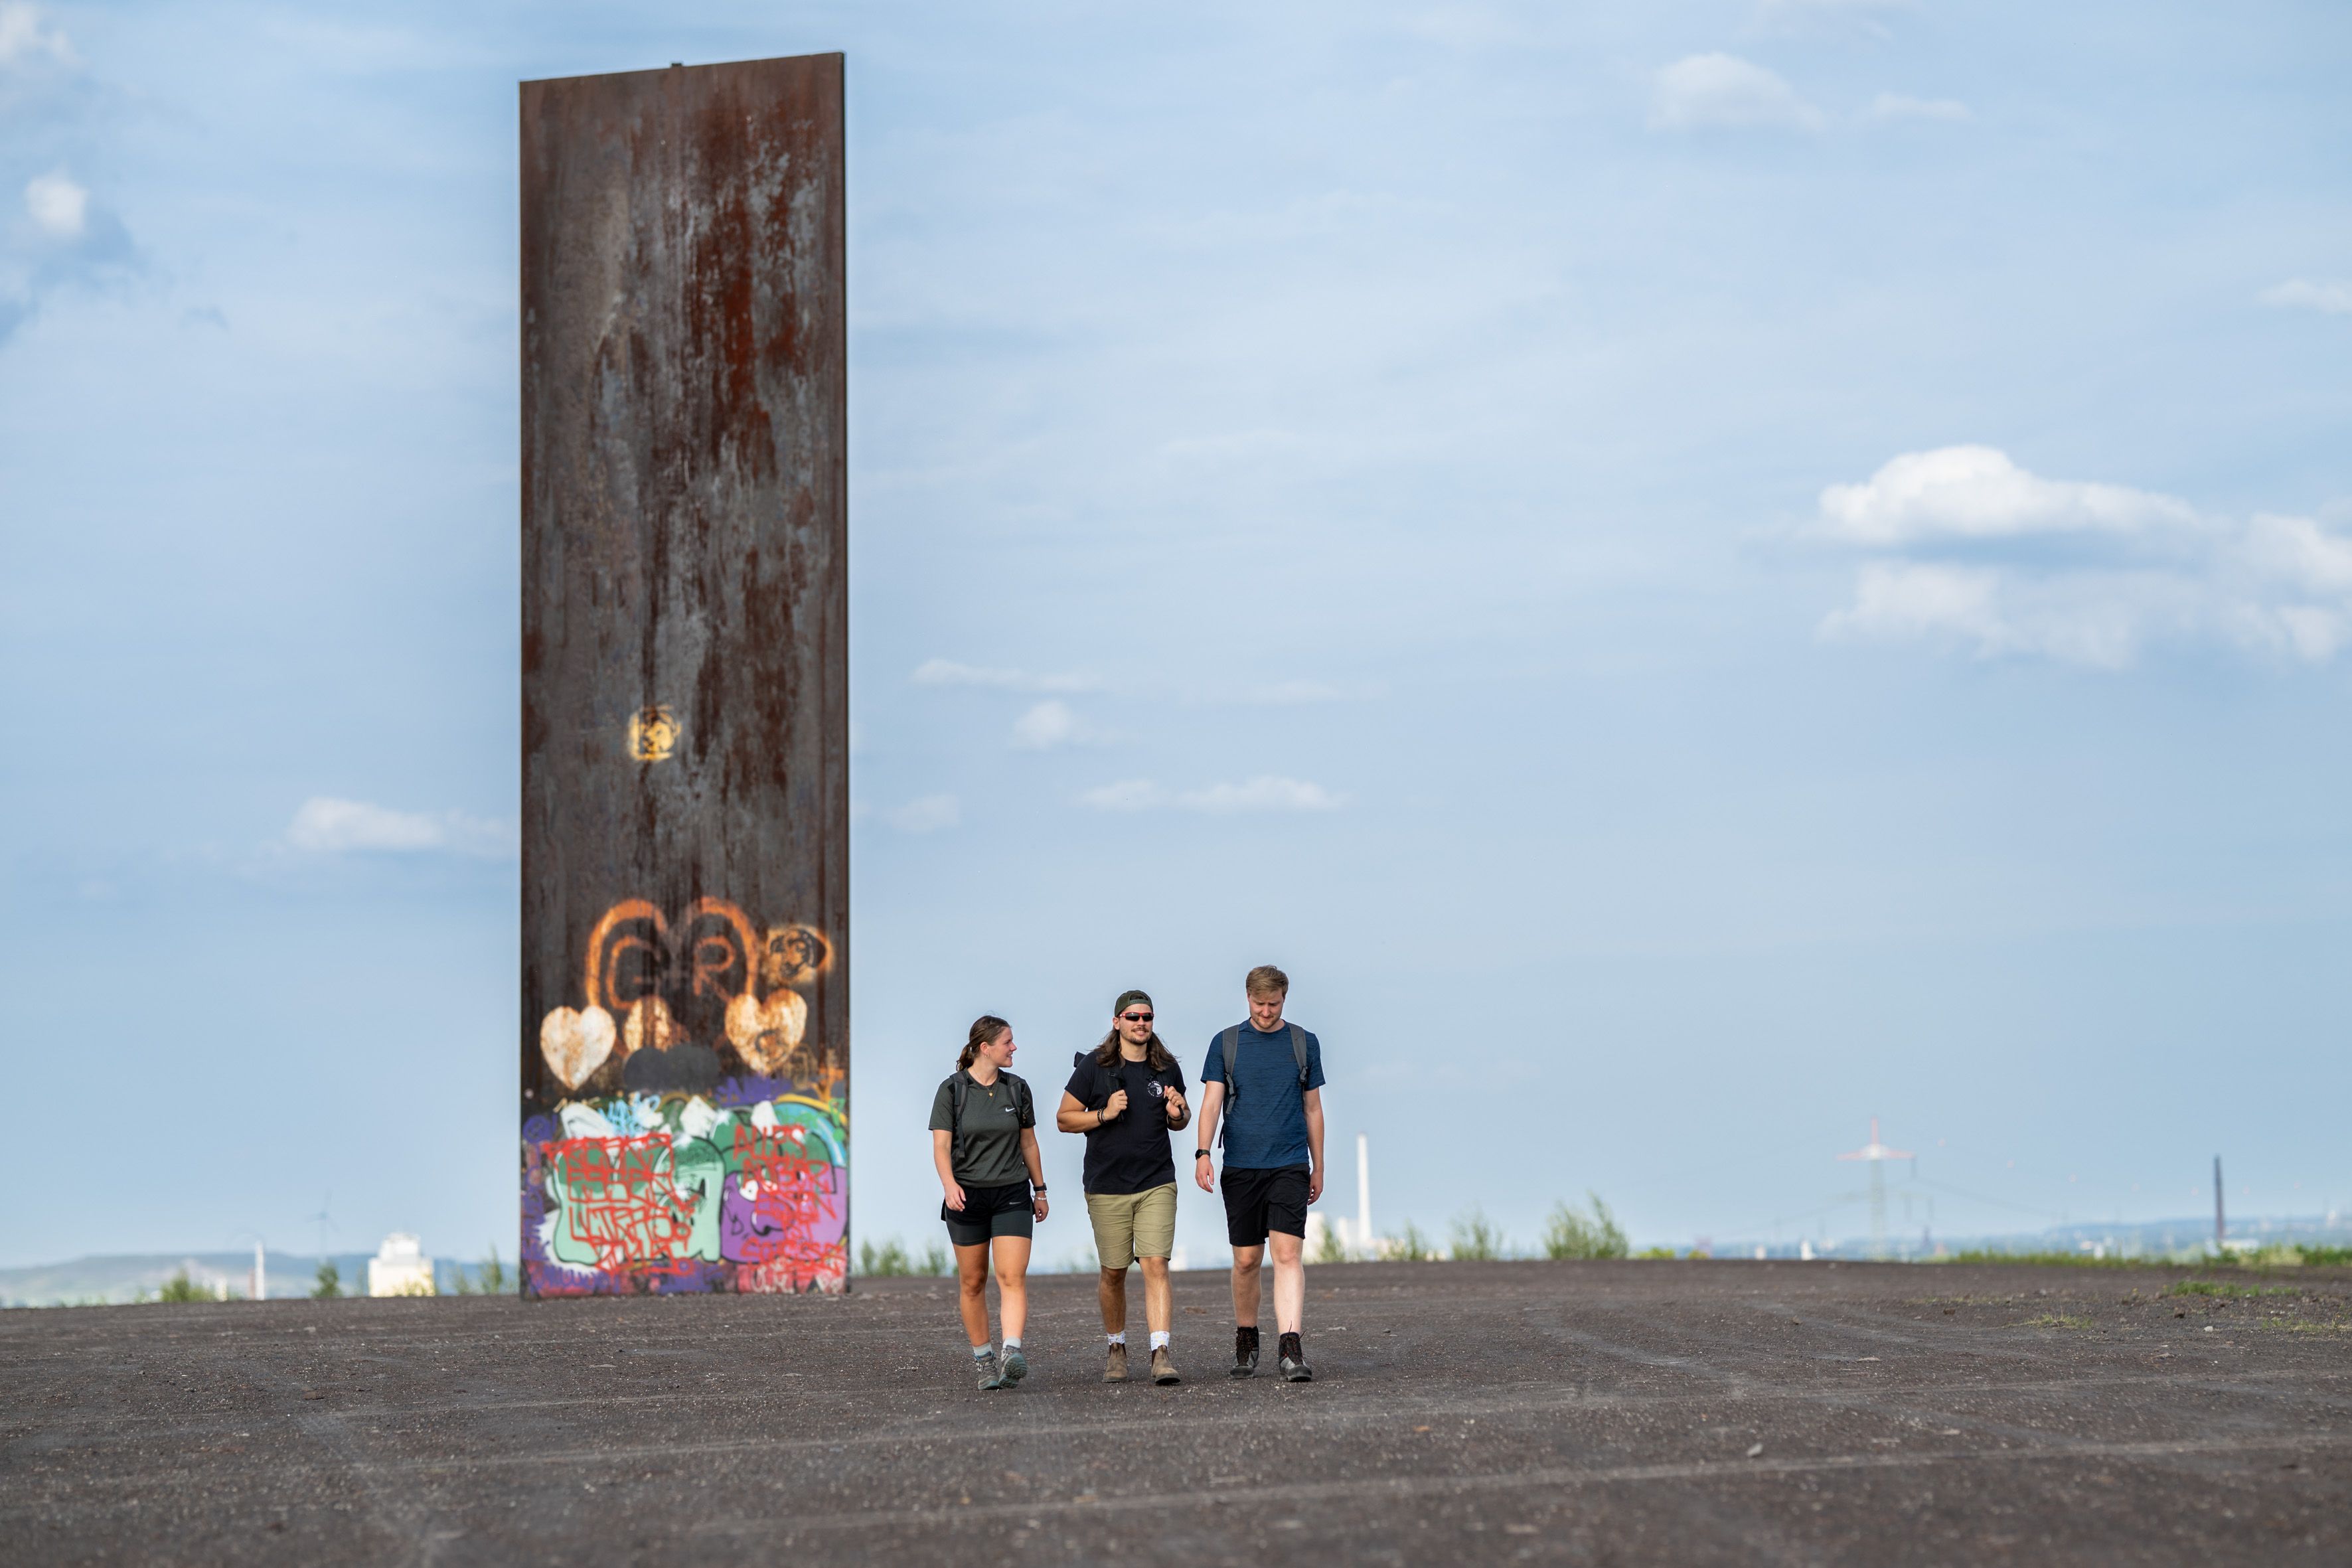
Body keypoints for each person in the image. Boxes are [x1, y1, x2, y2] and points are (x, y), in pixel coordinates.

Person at [1193, 965, 1325, 1382]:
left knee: (1288, 1255)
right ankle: (1247, 1339)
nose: (1266, 1012)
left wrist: (1318, 1165)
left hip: (1289, 1164)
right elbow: (1212, 1103)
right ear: (1246, 997)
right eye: (1259, 1003)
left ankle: (1290, 1346)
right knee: (1247, 1260)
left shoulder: (1304, 1043)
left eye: (1274, 1004)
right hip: (1241, 1166)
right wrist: (1202, 1152)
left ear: (1285, 999)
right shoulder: (1226, 1043)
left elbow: (1313, 1109)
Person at [1056, 988, 1191, 1385]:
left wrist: (1178, 1113)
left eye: (1147, 1017)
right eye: (1132, 1017)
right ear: (1117, 1022)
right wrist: (1104, 1113)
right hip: (1107, 1184)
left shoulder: (1166, 1067)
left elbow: (1180, 1120)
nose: (1140, 1023)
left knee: (1155, 1264)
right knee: (1114, 1272)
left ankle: (1161, 1352)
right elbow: (1064, 1119)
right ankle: (1117, 1348)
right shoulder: (1095, 1067)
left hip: (1156, 1181)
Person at [929, 1016, 1050, 1391]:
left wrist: (1040, 1189)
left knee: (1011, 1277)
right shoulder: (952, 1091)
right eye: (1008, 1042)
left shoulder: (1017, 1089)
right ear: (986, 1048)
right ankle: (984, 1360)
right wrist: (949, 1185)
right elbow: (940, 1146)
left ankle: (1011, 1351)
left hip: (1012, 1192)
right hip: (967, 1197)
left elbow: (1028, 1143)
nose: (1014, 1048)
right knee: (973, 1281)